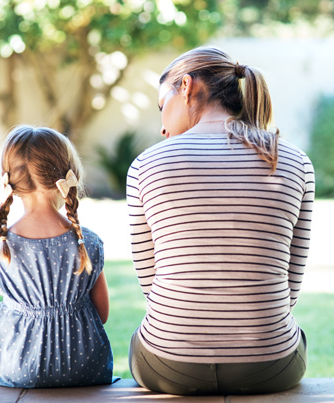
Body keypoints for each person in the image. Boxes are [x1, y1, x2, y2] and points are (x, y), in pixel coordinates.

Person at [126, 46, 315, 395]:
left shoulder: (146, 165)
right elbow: (290, 285)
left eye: (161, 106)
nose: (162, 126)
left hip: (168, 365)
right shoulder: (294, 161)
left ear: (186, 86)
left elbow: (151, 285)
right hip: (270, 365)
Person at [0, 125, 113, 388]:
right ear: (68, 176)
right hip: (84, 367)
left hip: (17, 369)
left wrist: (21, 309)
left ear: (10, 182)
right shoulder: (88, 242)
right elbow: (101, 313)